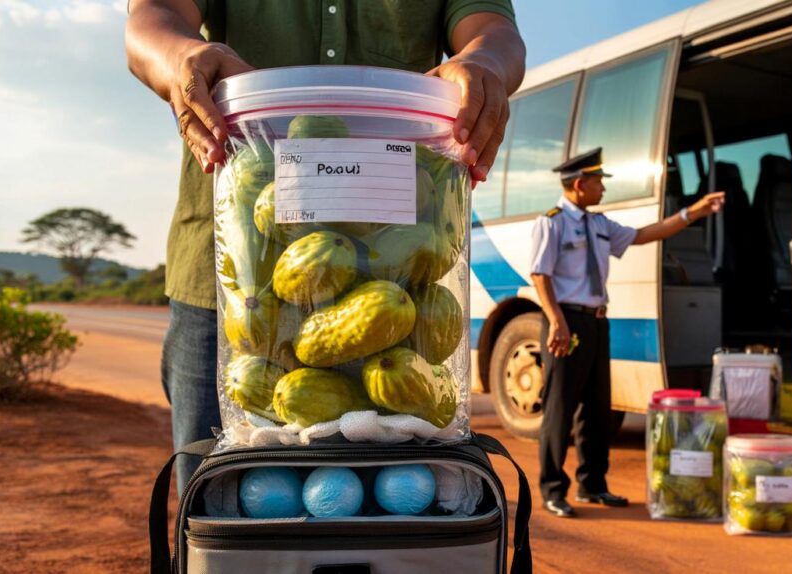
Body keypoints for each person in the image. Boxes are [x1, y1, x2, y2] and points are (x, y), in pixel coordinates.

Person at [125, 0, 525, 490]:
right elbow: (152, 20)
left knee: (404, 522)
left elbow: (493, 30)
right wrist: (181, 55)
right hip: (235, 282)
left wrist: (486, 63)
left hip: (401, 281)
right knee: (221, 507)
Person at [531, 148, 725, 518]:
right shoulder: (552, 223)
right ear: (579, 183)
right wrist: (556, 320)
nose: (603, 189)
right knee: (559, 409)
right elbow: (540, 275)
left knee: (597, 408)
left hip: (597, 322)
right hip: (566, 322)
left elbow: (645, 234)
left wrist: (693, 212)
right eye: (599, 182)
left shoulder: (600, 224)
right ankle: (553, 490)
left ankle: (593, 485)